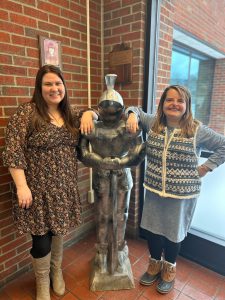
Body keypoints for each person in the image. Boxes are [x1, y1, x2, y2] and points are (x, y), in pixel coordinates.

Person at [2, 65, 97, 300]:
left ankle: (57, 272)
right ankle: (42, 280)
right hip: (36, 190)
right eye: (48, 84)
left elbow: (97, 112)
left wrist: (89, 113)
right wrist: (22, 186)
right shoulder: (26, 113)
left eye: (58, 83)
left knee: (58, 232)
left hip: (63, 188)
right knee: (41, 239)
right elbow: (13, 151)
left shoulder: (71, 114)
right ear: (39, 87)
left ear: (64, 86)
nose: (54, 88)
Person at [125, 84, 225, 294]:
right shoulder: (153, 123)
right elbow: (134, 109)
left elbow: (223, 145)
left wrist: (206, 167)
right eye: (169, 100)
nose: (174, 104)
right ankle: (154, 265)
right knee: (152, 230)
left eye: (180, 101)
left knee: (172, 233)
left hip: (182, 195)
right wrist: (132, 116)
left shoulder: (197, 130)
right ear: (162, 104)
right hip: (154, 190)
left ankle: (169, 269)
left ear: (187, 105)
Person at [79, 74, 145, 282]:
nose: (109, 113)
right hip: (101, 175)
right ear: (99, 109)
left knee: (121, 214)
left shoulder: (128, 126)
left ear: (121, 109)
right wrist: (99, 161)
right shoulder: (93, 127)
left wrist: (121, 163)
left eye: (114, 109)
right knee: (102, 214)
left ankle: (119, 247)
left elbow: (139, 150)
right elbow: (81, 151)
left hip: (122, 175)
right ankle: (101, 250)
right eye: (104, 109)